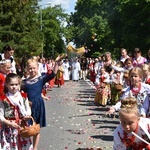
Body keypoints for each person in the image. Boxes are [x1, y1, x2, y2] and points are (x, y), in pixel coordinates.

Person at [21, 55, 63, 150]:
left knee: (36, 129)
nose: (32, 70)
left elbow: (52, 74)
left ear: (37, 68)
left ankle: (34, 148)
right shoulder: (23, 82)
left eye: (34, 68)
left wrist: (56, 63)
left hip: (39, 105)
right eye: (30, 68)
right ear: (27, 69)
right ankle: (27, 146)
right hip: (28, 107)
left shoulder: (41, 79)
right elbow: (18, 94)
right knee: (27, 128)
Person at [0, 73, 33, 149]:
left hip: (22, 127)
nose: (14, 87)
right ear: (6, 85)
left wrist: (27, 115)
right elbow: (0, 114)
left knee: (23, 146)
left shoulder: (23, 96)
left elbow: (27, 108)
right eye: (11, 85)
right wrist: (8, 123)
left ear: (19, 85)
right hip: (9, 128)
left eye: (16, 84)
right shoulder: (3, 99)